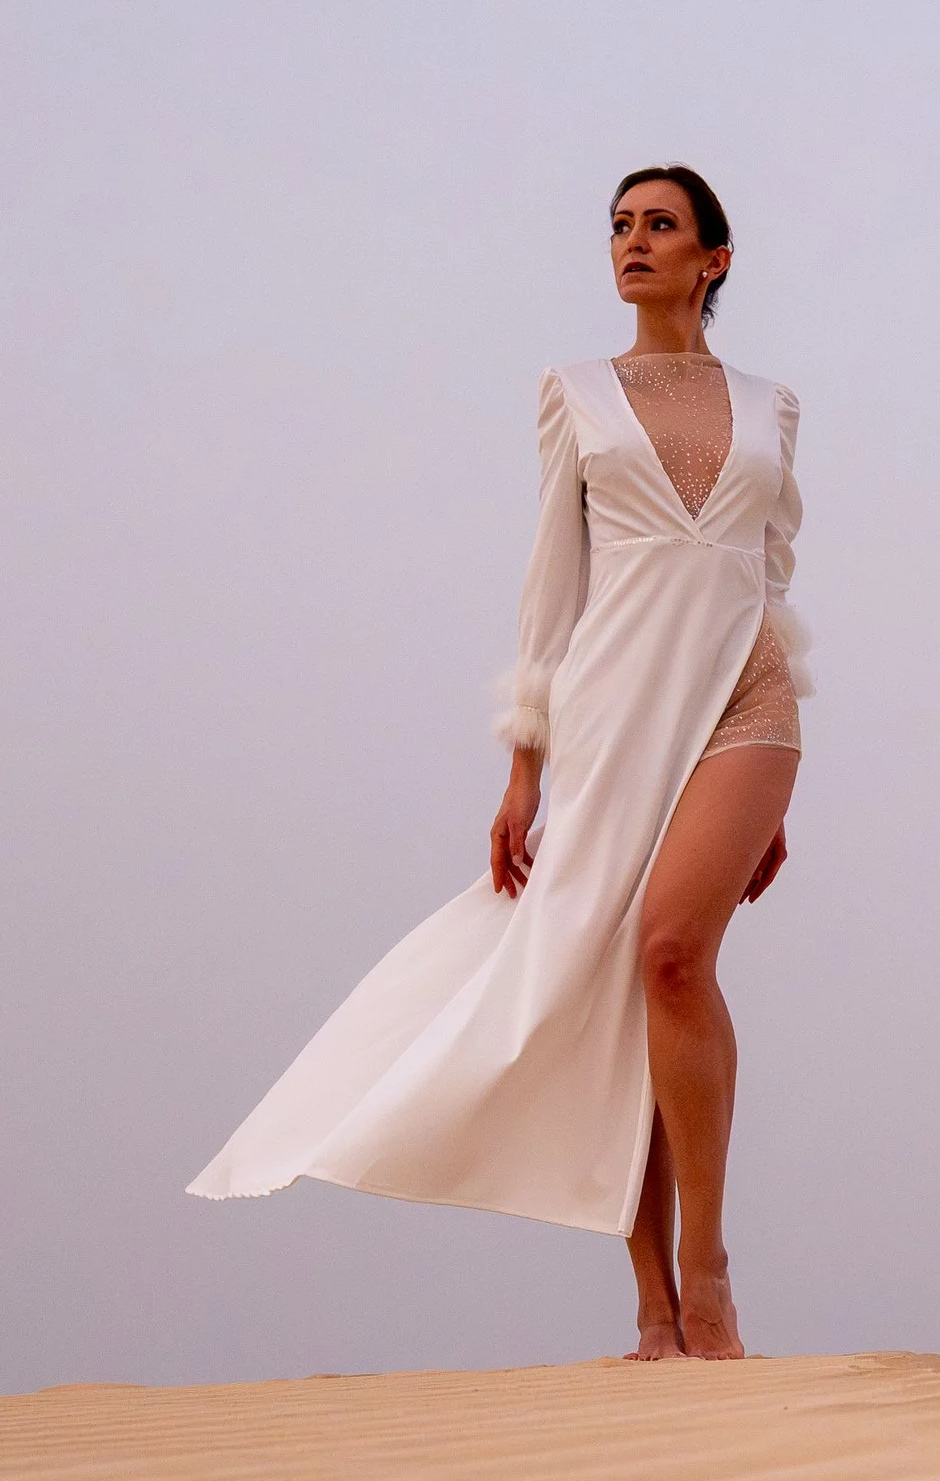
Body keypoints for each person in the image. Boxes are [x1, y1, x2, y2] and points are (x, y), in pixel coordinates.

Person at [191, 167, 811, 1360]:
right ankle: (651, 1310)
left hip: (747, 697)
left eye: (660, 226)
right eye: (620, 227)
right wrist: (523, 764)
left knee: (675, 954)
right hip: (617, 706)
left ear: (713, 261)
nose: (633, 243)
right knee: (608, 977)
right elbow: (552, 588)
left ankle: (710, 1269)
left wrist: (764, 801)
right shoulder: (574, 395)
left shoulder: (775, 406)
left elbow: (771, 577)